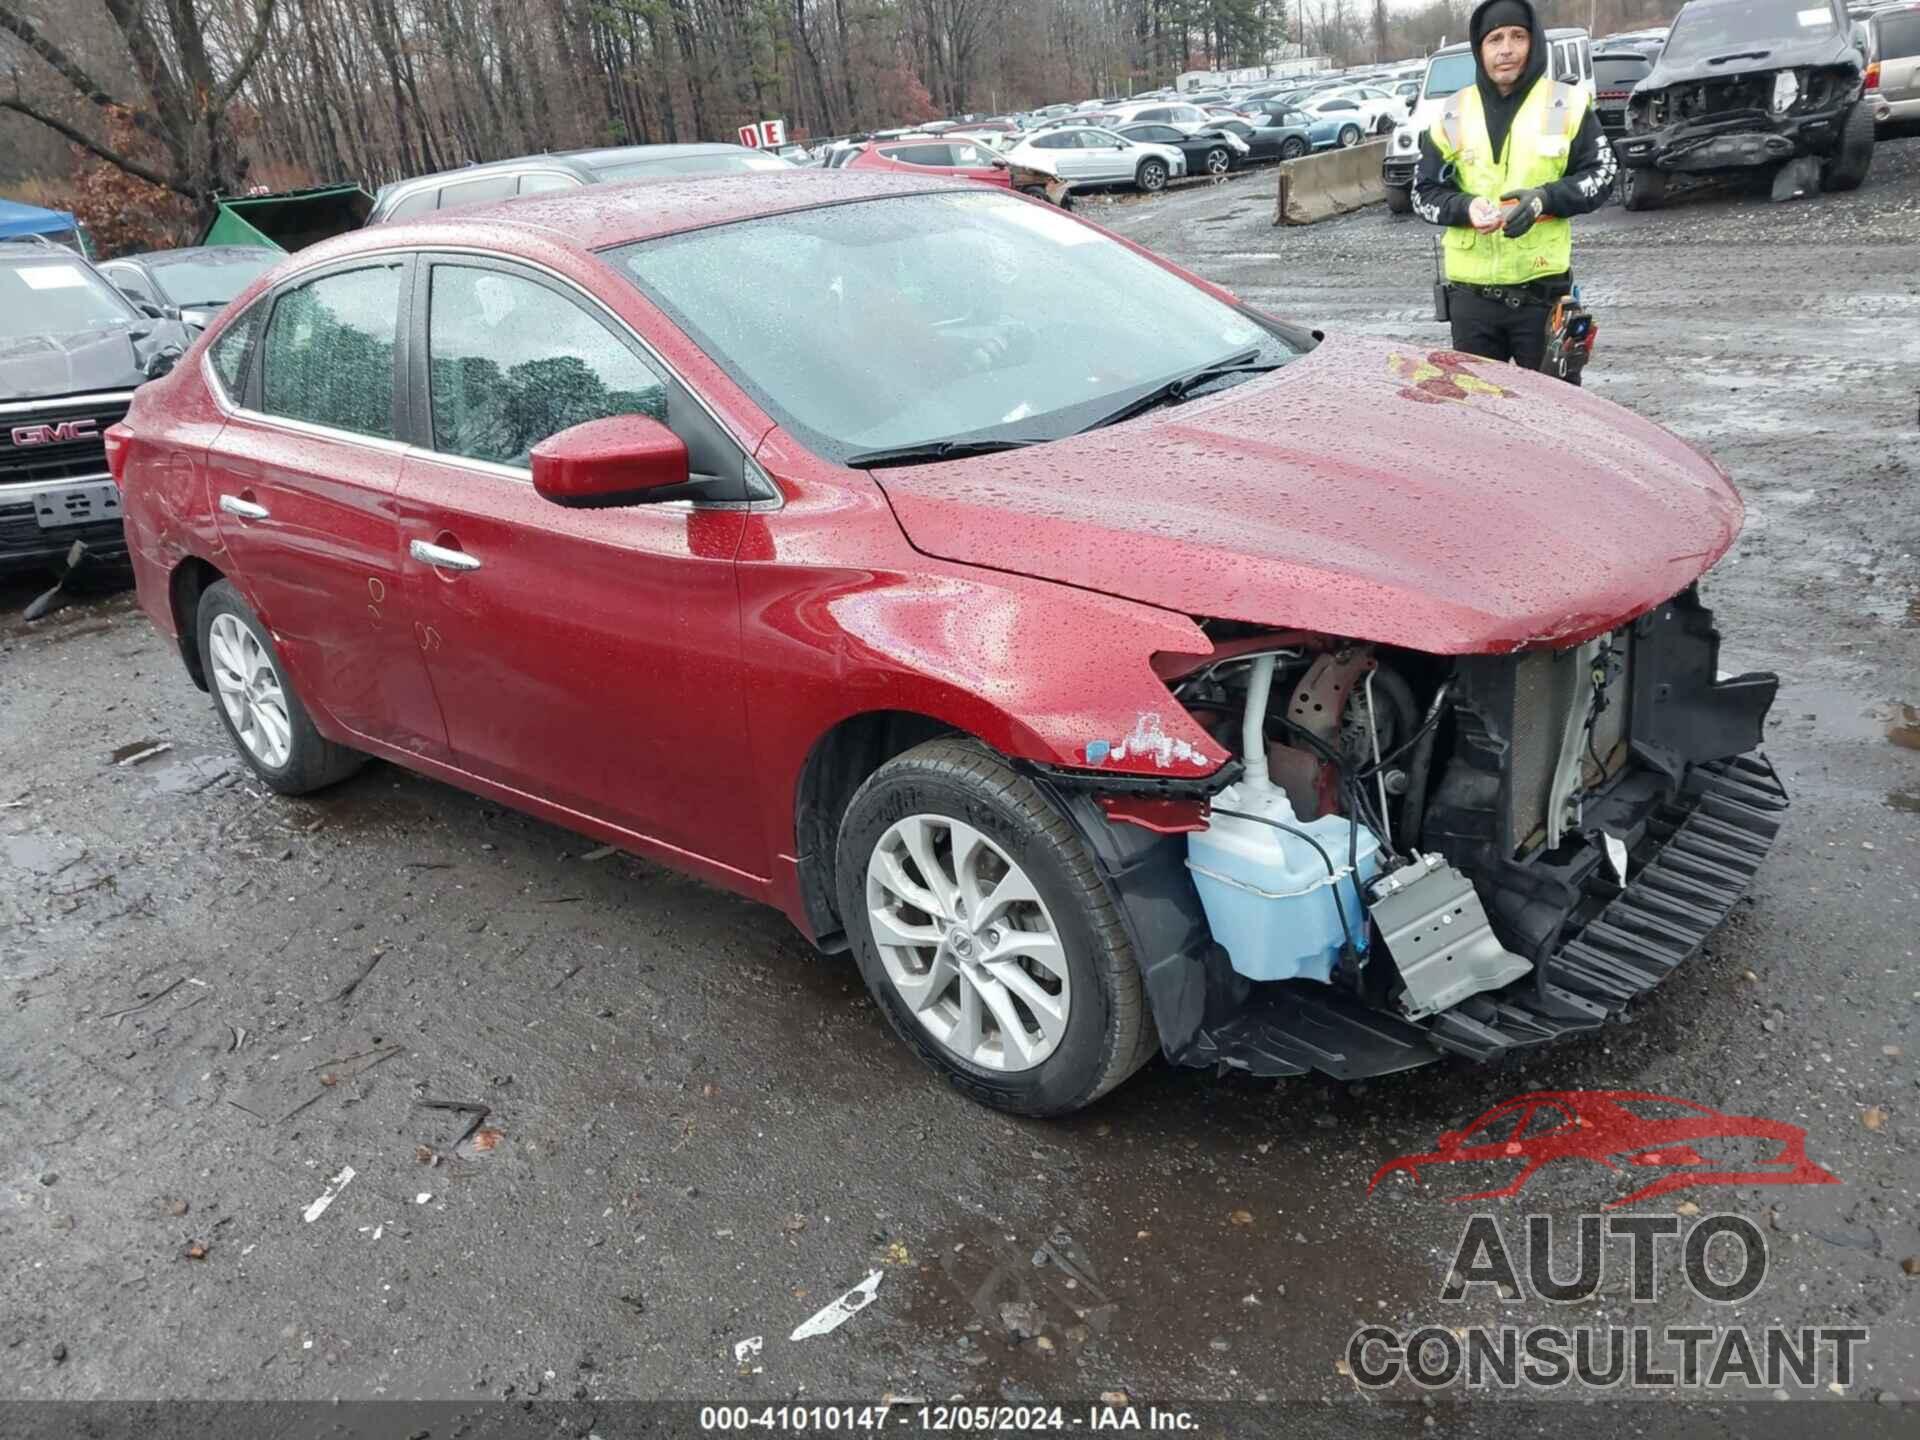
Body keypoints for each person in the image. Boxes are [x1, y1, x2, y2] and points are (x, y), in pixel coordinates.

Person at [1413, 0, 1615, 375]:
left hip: (1543, 298)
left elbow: (1602, 175)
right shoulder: (1450, 113)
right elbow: (1422, 193)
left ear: (1533, 42)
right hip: (1471, 305)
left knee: (1555, 417)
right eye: (1495, 39)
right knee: (1483, 420)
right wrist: (1465, 207)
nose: (1506, 49)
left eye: (1517, 36)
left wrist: (1545, 199)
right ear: (1480, 49)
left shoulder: (1566, 104)